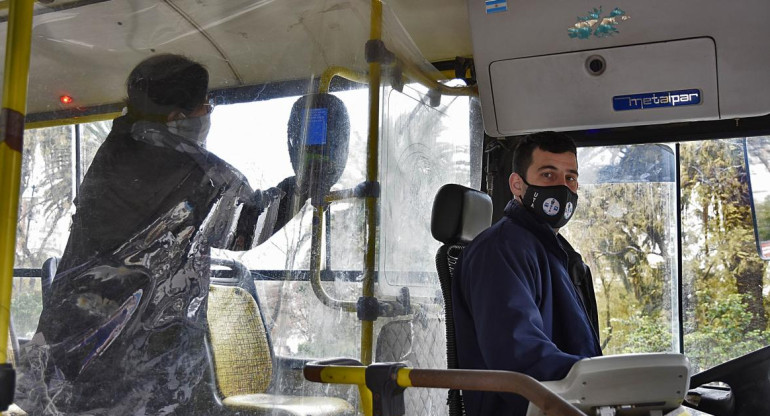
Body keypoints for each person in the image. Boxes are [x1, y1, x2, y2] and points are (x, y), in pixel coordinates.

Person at [15, 54, 307, 415]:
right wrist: (307, 181)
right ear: (178, 118)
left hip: (66, 353)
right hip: (143, 367)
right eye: (205, 107)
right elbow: (251, 226)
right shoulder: (197, 175)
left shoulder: (112, 153)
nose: (207, 115)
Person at [452, 131, 602, 416]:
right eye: (548, 175)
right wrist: (600, 383)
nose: (563, 187)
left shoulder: (555, 252)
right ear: (517, 185)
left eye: (570, 177)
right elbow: (519, 356)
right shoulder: (499, 251)